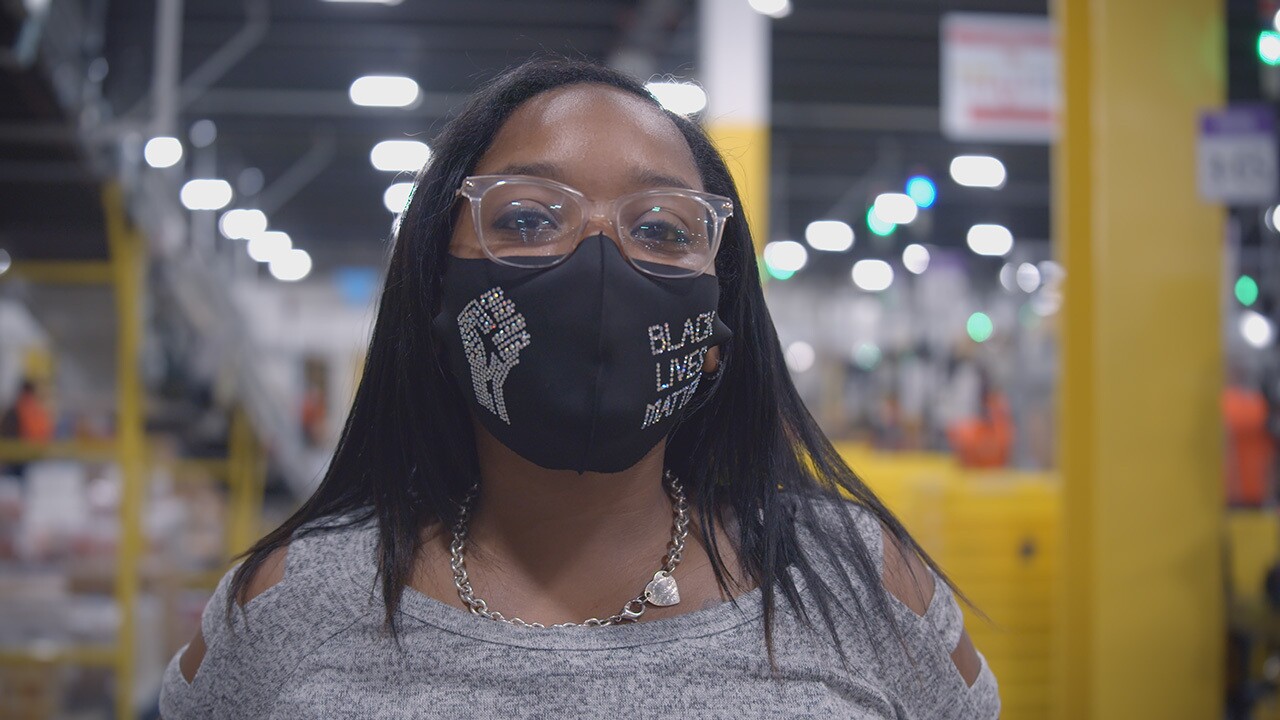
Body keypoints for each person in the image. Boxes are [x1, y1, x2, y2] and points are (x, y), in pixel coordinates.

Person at [160, 57, 999, 718]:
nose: (599, 266)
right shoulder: (289, 602)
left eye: (663, 229)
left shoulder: (867, 585)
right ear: (439, 298)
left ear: (717, 338)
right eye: (527, 218)